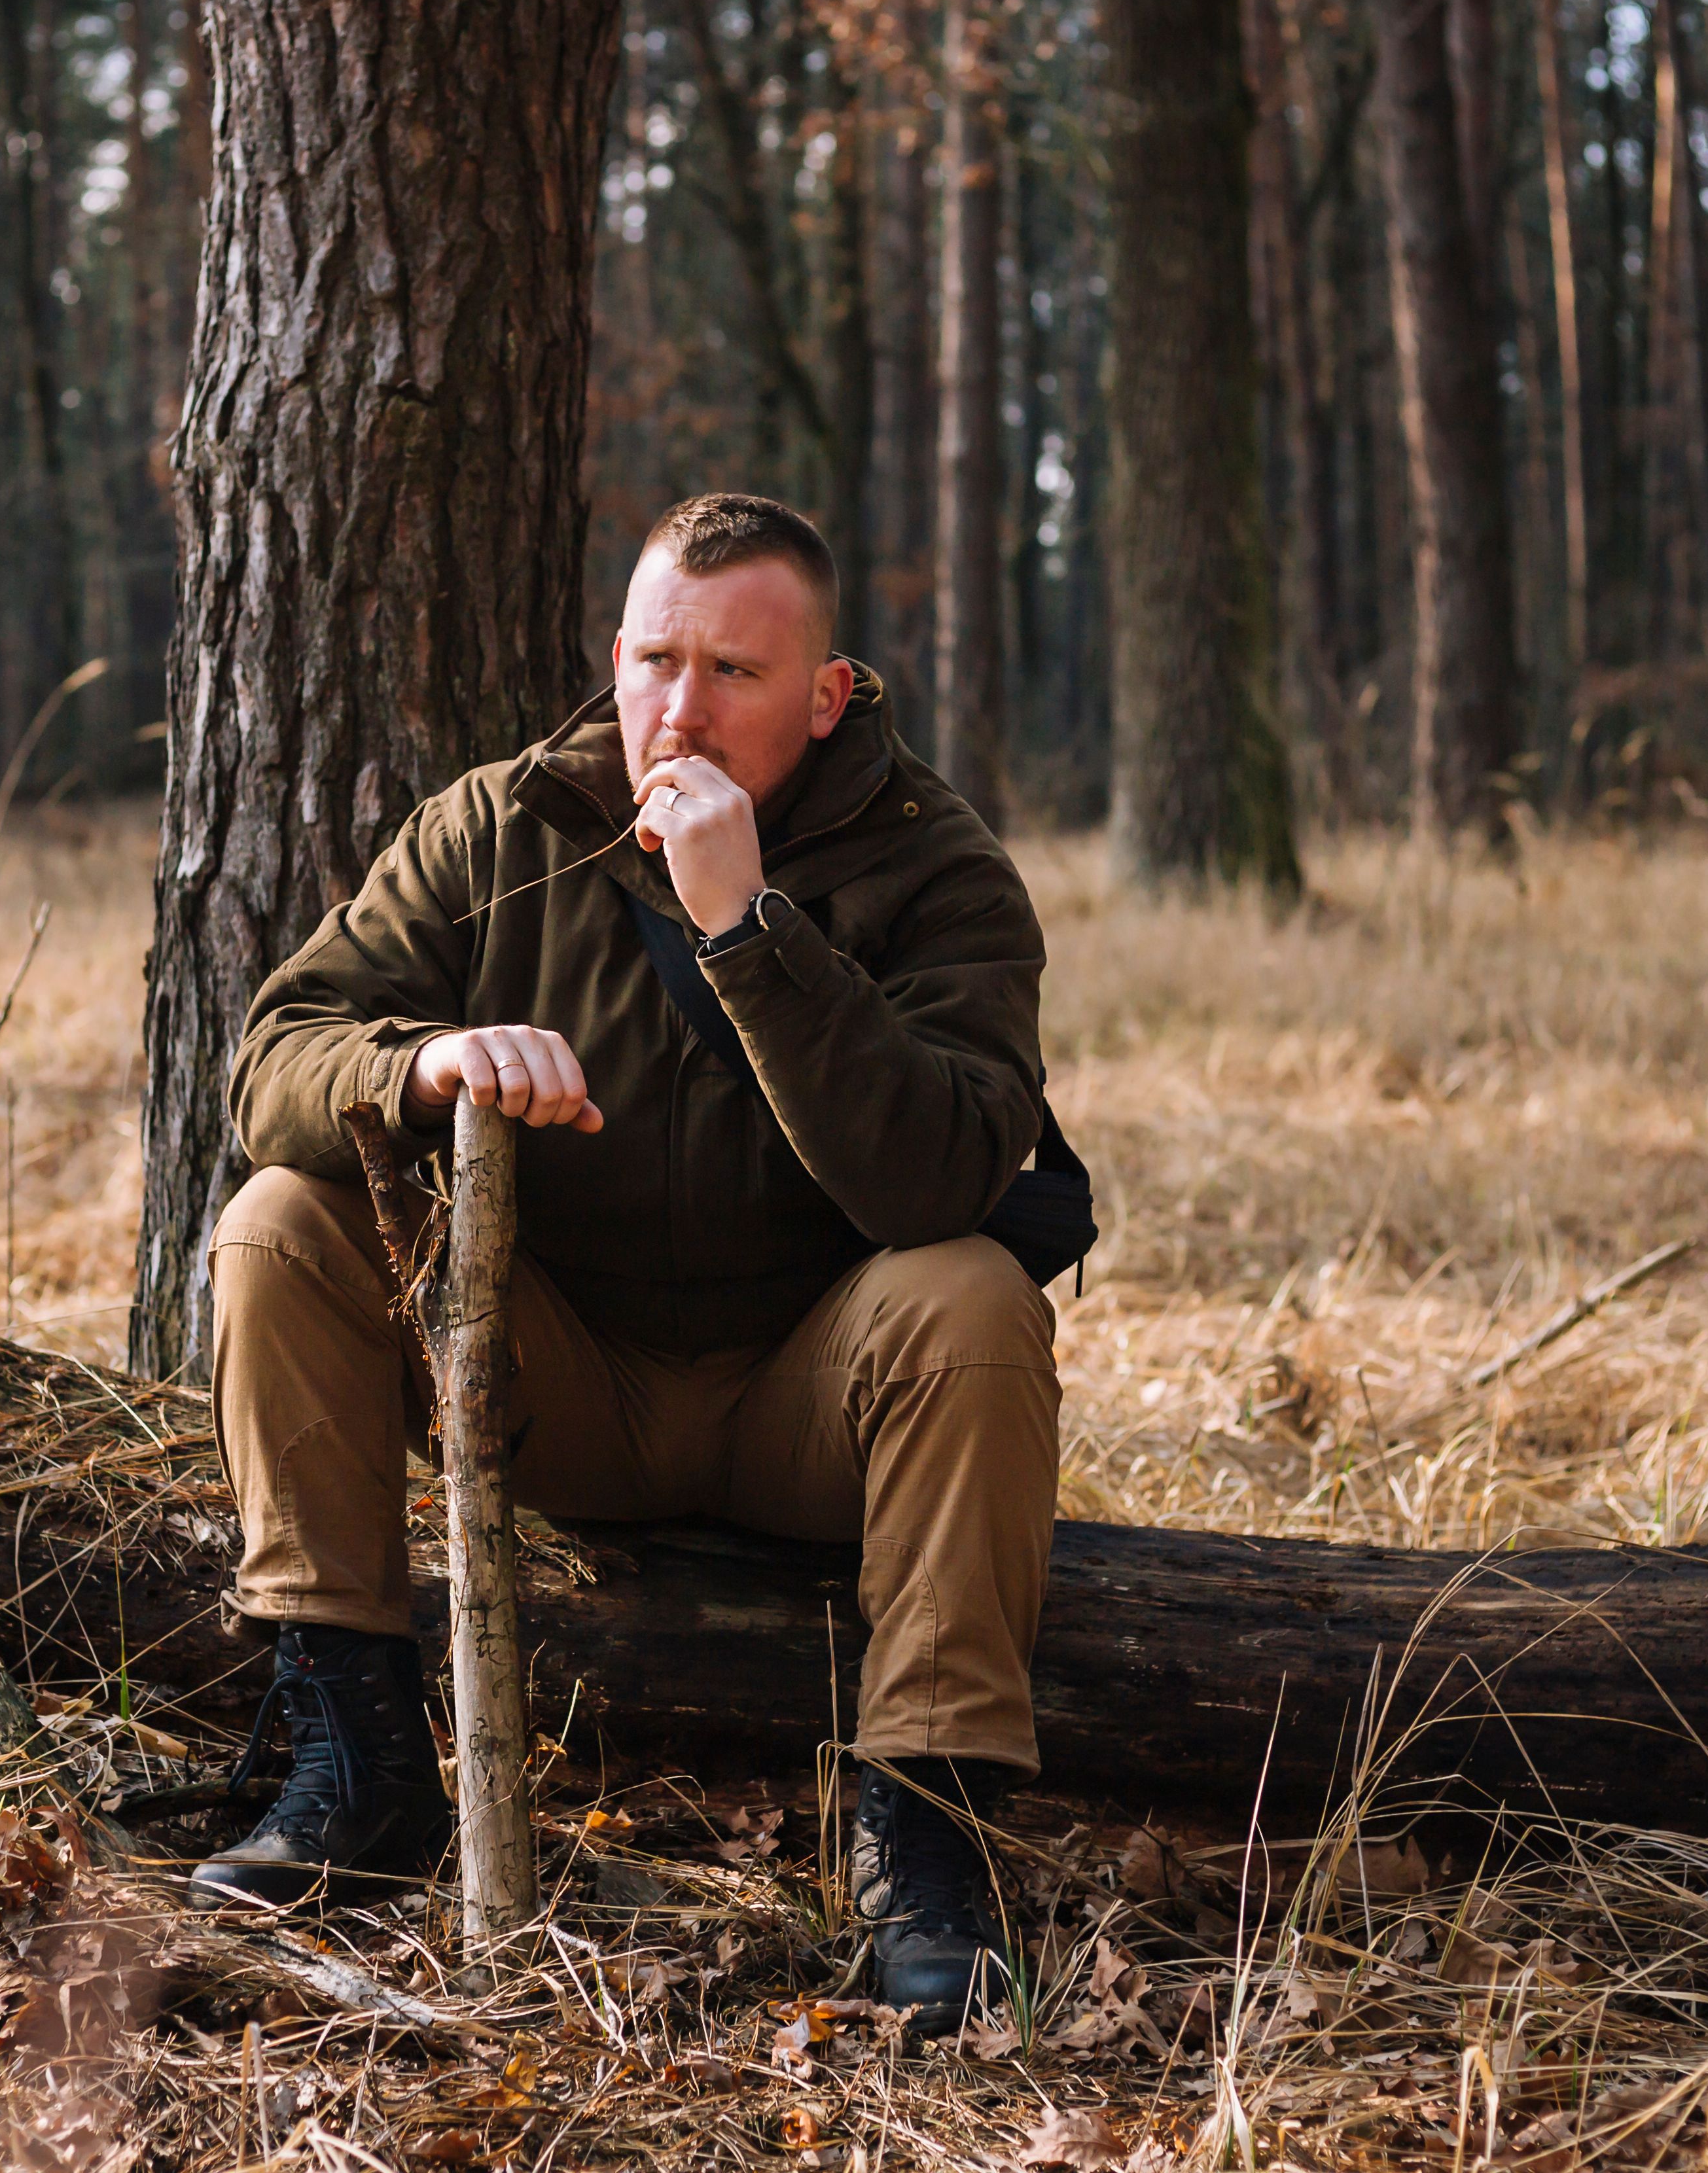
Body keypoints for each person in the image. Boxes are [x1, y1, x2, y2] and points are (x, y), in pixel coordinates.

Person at [190, 493, 1059, 2032]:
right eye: (658, 658)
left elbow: (941, 1172)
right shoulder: (501, 826)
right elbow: (272, 1059)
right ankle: (357, 1767)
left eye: (735, 670)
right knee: (278, 1220)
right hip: (550, 1377)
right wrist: (426, 1063)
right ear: (615, 653)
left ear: (828, 695)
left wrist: (748, 932)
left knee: (973, 1300)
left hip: (813, 1402)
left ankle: (930, 1837)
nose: (681, 705)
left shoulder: (938, 869)